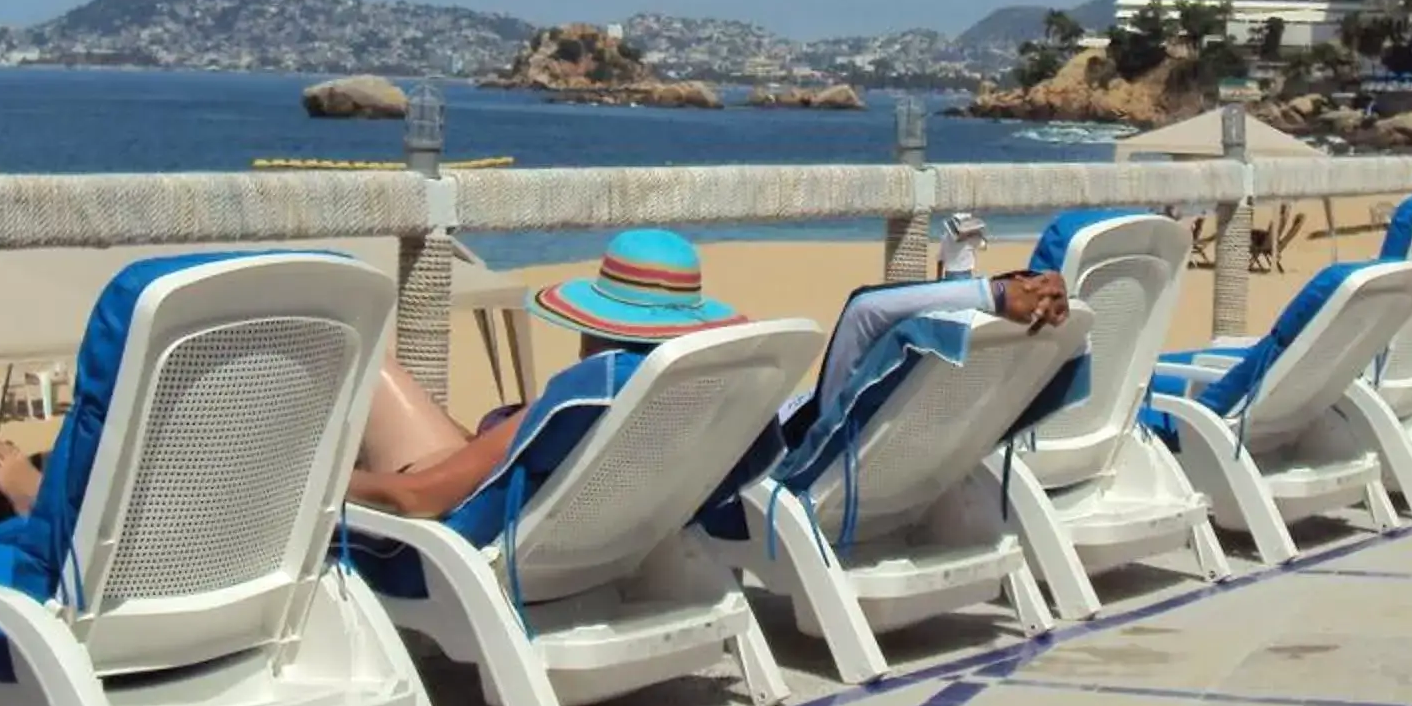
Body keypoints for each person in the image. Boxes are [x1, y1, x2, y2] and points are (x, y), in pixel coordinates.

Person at [347, 228, 743, 520]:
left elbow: (414, 499)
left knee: (367, 356)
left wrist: (324, 485)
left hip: (449, 541)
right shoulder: (681, 394)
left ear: (594, 323)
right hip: (595, 547)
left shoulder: (586, 395)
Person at [776, 263, 1069, 446]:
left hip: (789, 453)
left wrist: (994, 294)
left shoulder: (844, 415)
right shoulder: (956, 409)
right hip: (911, 469)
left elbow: (864, 310)